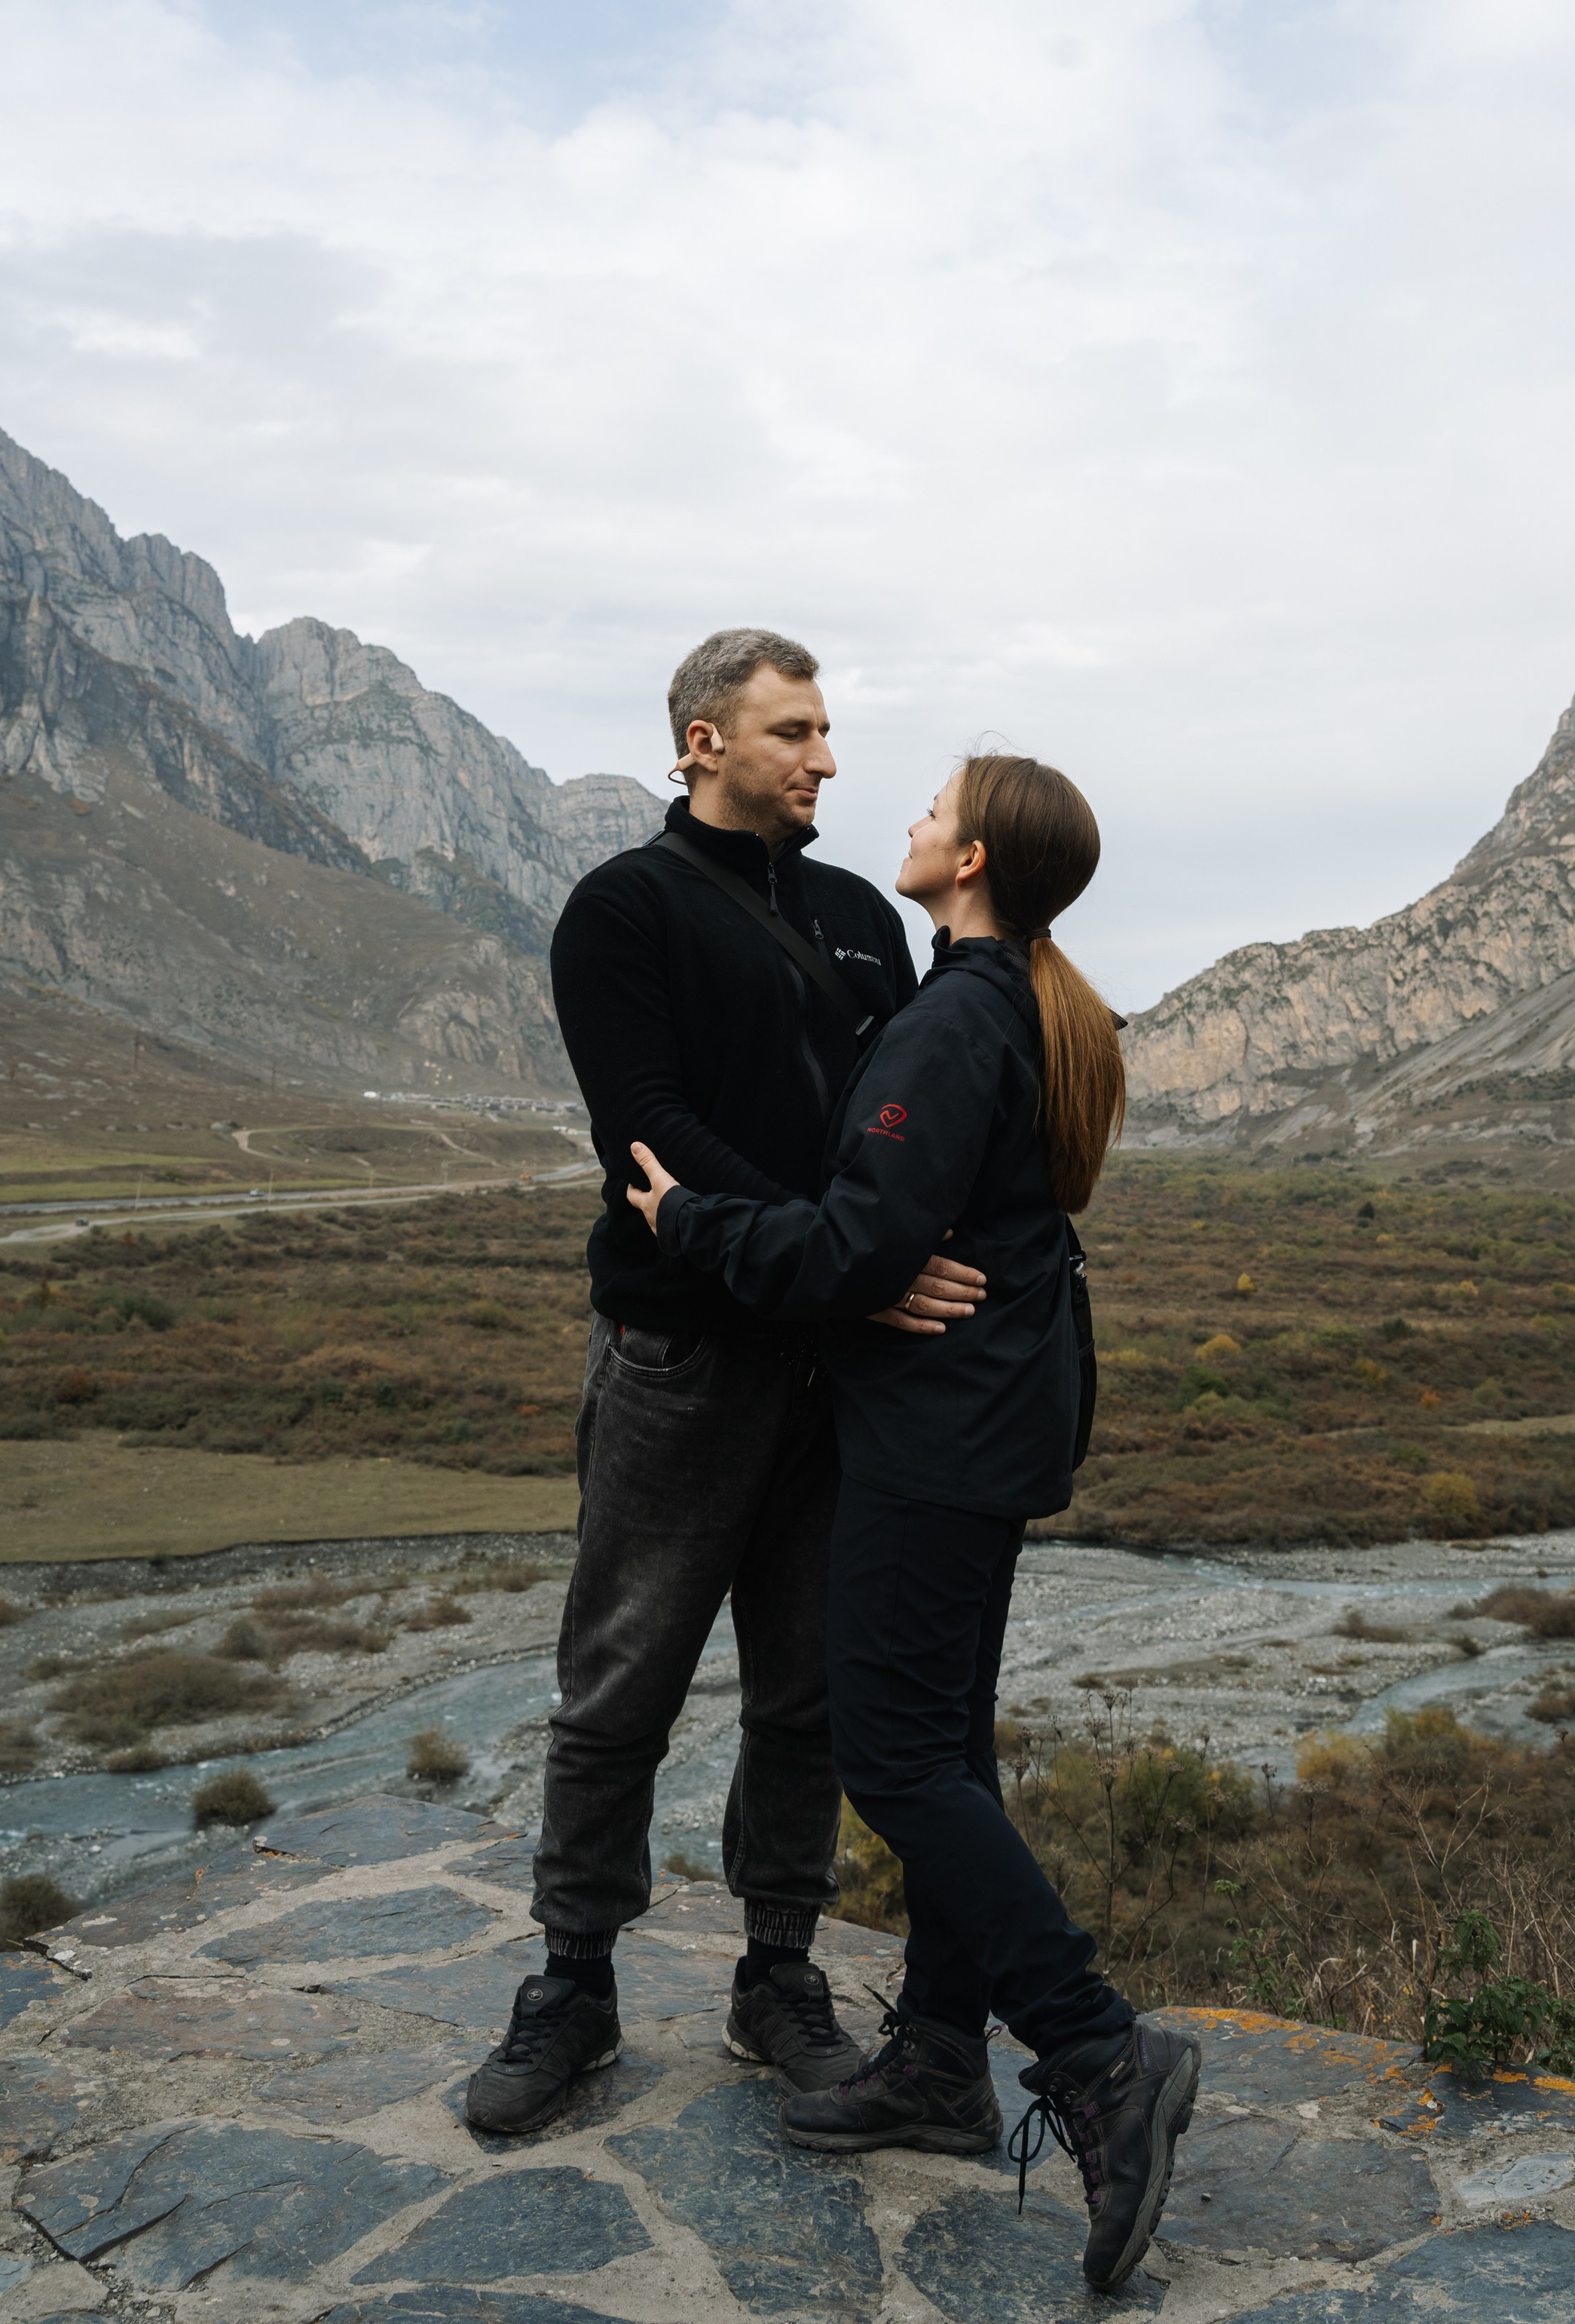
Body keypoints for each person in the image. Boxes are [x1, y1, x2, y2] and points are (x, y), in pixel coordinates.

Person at [625, 752, 1200, 2295]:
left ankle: (1096, 2051)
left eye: (935, 809)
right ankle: (943, 2058)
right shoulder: (1019, 1002)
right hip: (988, 1421)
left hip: (938, 1434)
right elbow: (891, 1237)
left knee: (889, 1757)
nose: (910, 820)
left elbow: (857, 1245)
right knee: (944, 1749)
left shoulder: (956, 1016)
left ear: (975, 858)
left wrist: (687, 1219)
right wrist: (869, 1252)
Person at [466, 630, 985, 2136]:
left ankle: (778, 1977)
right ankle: (573, 1982)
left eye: (825, 731)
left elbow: (893, 1127)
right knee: (619, 1680)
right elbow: (648, 1131)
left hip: (838, 1369)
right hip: (681, 1358)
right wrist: (842, 1258)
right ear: (704, 742)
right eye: (794, 731)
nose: (826, 758)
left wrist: (857, 1262)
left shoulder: (856, 917)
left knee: (806, 1693)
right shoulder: (621, 908)